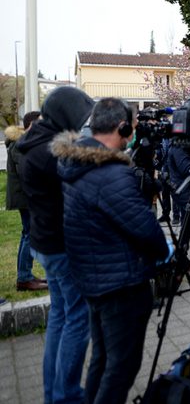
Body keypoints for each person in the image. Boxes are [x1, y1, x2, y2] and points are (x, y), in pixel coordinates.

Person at [52, 98, 169, 404]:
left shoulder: (76, 163)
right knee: (121, 367)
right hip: (121, 286)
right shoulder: (111, 173)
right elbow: (148, 231)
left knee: (103, 360)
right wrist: (164, 250)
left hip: (94, 279)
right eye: (130, 127)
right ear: (121, 127)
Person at [17, 86, 95, 404]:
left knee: (61, 317)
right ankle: (67, 395)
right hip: (62, 245)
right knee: (78, 319)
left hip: (45, 241)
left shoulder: (33, 142)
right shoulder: (50, 150)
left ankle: (56, 393)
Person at [5, 111, 47, 292]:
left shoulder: (24, 142)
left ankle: (26, 275)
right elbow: (28, 172)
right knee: (29, 234)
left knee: (27, 234)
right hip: (25, 197)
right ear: (31, 125)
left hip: (26, 196)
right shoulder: (21, 144)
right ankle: (24, 277)